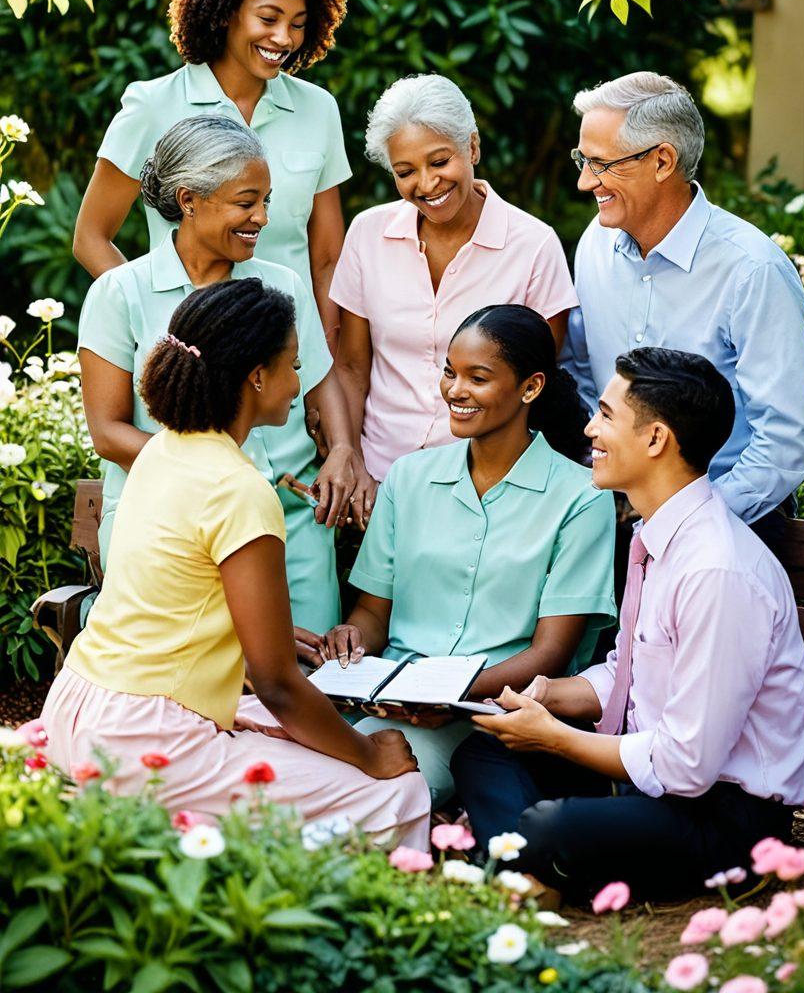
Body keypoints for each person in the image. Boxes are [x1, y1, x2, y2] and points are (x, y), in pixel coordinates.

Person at [39, 278, 430, 843]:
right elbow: (275, 683)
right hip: (146, 739)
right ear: (256, 376)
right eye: (292, 365)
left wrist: (255, 633)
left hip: (77, 703)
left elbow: (172, 595)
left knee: (298, 734)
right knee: (398, 794)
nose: (299, 384)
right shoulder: (241, 491)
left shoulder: (161, 451)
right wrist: (372, 755)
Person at [452, 347, 804, 902]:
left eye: (604, 415)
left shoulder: (717, 570)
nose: (589, 428)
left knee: (550, 824)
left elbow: (687, 766)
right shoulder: (656, 536)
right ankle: (534, 869)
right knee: (482, 751)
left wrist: (556, 739)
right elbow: (627, 670)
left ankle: (527, 861)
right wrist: (550, 696)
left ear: (656, 440)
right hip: (647, 778)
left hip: (725, 819)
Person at [78, 114, 366, 635]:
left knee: (302, 684)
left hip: (290, 522)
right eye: (245, 202)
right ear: (188, 200)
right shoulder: (120, 293)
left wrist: (344, 450)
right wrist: (222, 476)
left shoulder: (283, 286)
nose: (262, 218)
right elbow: (107, 431)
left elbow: (322, 387)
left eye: (266, 202)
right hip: (170, 522)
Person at [322, 305, 617, 805]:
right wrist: (351, 638)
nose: (456, 390)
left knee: (368, 795)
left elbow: (551, 654)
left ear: (531, 387)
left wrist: (451, 695)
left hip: (493, 722)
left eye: (477, 378)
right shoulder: (408, 477)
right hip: (392, 705)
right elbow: (373, 613)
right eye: (450, 372)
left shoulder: (581, 499)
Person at [562, 71, 804, 544]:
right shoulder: (593, 245)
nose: (583, 182)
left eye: (600, 164)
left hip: (733, 524)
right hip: (617, 520)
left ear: (662, 161)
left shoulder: (752, 270)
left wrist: (689, 523)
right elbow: (578, 366)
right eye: (583, 160)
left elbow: (784, 442)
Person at [73, 0, 350, 348]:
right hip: (188, 359)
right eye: (268, 18)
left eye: (298, 24)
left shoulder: (318, 110)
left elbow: (327, 257)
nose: (284, 38)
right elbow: (91, 236)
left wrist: (319, 358)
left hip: (287, 364)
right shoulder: (152, 106)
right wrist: (160, 324)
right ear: (225, 12)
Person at [330, 75, 578, 527]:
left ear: (473, 147)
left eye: (439, 161)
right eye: (405, 172)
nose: (426, 184)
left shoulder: (534, 246)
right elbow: (350, 368)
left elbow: (534, 389)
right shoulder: (367, 233)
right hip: (378, 484)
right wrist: (352, 460)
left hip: (485, 494)